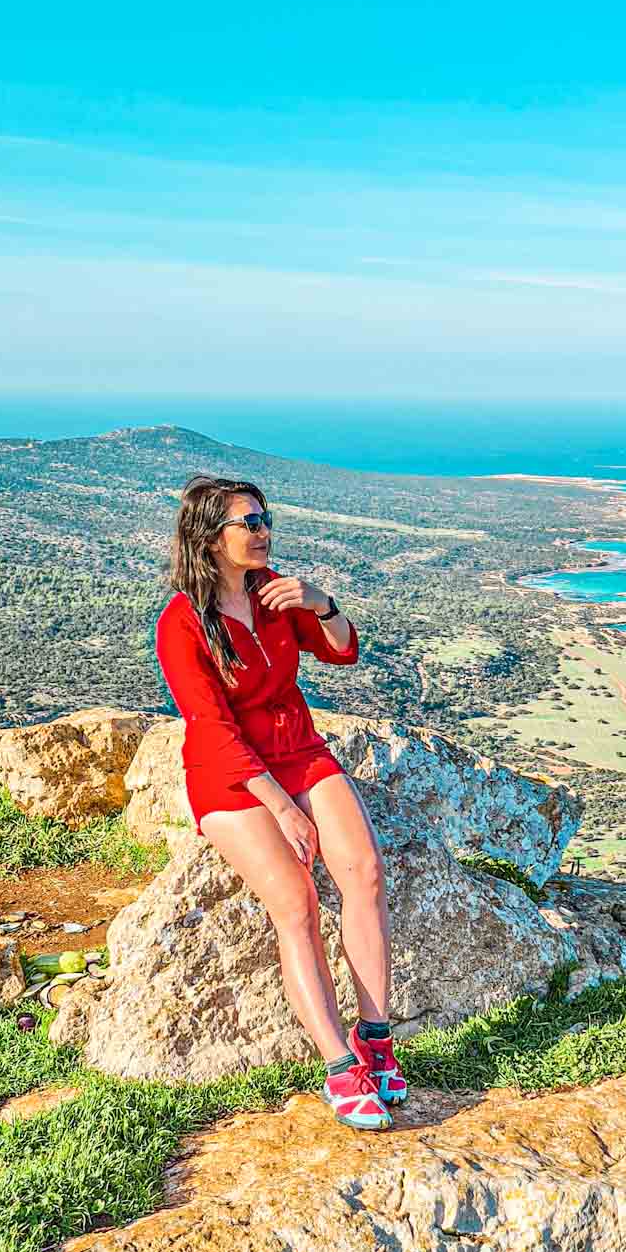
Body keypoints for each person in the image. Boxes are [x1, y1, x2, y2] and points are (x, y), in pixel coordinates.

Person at [153, 472, 407, 1129]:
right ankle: (338, 1067)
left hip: (299, 749)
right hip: (231, 774)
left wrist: (321, 603)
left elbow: (342, 650)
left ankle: (374, 1039)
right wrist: (282, 807)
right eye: (249, 522)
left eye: (266, 519)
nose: (264, 531)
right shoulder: (181, 622)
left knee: (365, 873)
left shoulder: (277, 594)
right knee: (295, 899)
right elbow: (210, 727)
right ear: (210, 538)